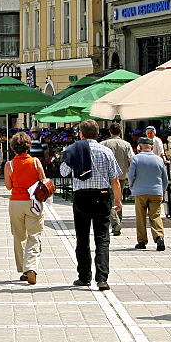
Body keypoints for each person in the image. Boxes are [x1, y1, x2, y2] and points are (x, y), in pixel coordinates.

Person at [59, 119, 123, 291]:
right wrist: (118, 200)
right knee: (102, 238)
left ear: (81, 134)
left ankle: (84, 276)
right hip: (102, 196)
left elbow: (63, 172)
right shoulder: (106, 151)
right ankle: (102, 278)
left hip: (81, 197)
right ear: (97, 134)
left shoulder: (74, 149)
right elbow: (115, 179)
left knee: (82, 238)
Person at [4, 132, 46, 285]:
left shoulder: (9, 165)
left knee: (19, 236)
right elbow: (43, 180)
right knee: (34, 236)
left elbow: (9, 186)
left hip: (16, 202)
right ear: (28, 146)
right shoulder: (35, 162)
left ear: (13, 147)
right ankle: (31, 268)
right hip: (33, 203)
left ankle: (23, 270)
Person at [128, 136, 168, 251]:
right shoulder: (159, 160)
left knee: (140, 217)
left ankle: (142, 241)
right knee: (155, 215)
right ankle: (159, 236)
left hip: (140, 191)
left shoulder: (136, 159)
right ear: (152, 147)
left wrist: (132, 186)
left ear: (139, 147)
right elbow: (164, 178)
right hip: (156, 191)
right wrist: (163, 190)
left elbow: (131, 175)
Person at [100, 122, 134, 236]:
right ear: (120, 132)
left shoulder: (103, 144)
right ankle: (118, 221)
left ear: (110, 131)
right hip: (122, 175)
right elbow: (131, 160)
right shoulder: (126, 144)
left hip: (107, 176)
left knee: (109, 199)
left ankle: (115, 223)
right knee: (118, 198)